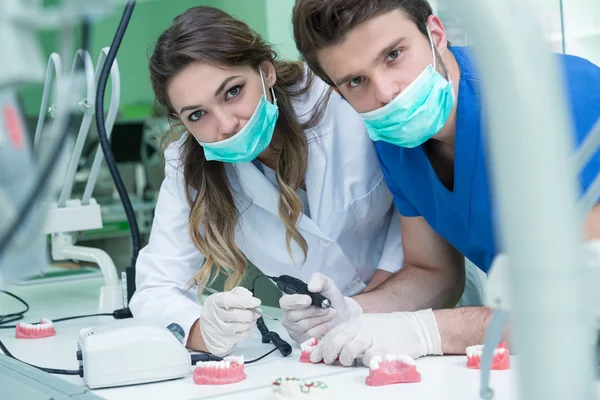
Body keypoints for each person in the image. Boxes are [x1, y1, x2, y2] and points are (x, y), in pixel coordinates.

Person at [288, 0, 600, 366]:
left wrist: (424, 330)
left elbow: (578, 301)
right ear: (340, 94)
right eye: (357, 81)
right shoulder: (394, 143)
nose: (387, 92)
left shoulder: (551, 95)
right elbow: (433, 272)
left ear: (435, 34)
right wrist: (352, 312)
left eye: (393, 55)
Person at [129, 5, 421, 357]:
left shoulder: (341, 98)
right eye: (197, 114)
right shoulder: (188, 164)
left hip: (420, 316)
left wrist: (362, 309)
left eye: (233, 91)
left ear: (265, 71)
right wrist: (202, 330)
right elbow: (156, 287)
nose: (225, 125)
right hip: (325, 350)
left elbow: (418, 206)